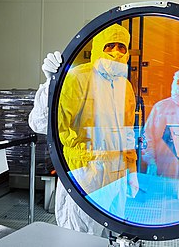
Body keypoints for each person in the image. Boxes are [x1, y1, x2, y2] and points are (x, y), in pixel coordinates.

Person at [29, 23, 139, 236]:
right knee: (80, 237)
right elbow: (41, 124)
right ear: (98, 47)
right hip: (85, 174)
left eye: (121, 47)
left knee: (113, 236)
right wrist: (50, 83)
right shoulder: (77, 77)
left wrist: (131, 170)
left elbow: (127, 132)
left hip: (116, 176)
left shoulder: (125, 87)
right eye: (110, 46)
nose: (116, 52)